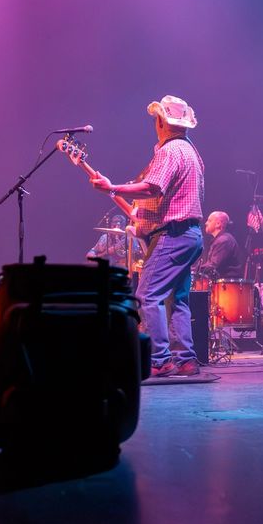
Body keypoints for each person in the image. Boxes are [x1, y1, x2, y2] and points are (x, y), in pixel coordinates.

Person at [91, 95, 205, 378]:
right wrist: (115, 193)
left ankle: (159, 359)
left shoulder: (170, 151)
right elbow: (160, 199)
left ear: (161, 121)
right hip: (191, 235)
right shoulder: (192, 152)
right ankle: (186, 360)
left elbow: (152, 188)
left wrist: (113, 186)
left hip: (173, 234)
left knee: (146, 295)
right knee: (177, 298)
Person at [200, 210, 244, 278]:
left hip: (228, 286)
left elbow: (213, 265)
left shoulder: (224, 240)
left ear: (218, 224)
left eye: (209, 221)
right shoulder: (221, 239)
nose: (206, 223)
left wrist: (194, 270)